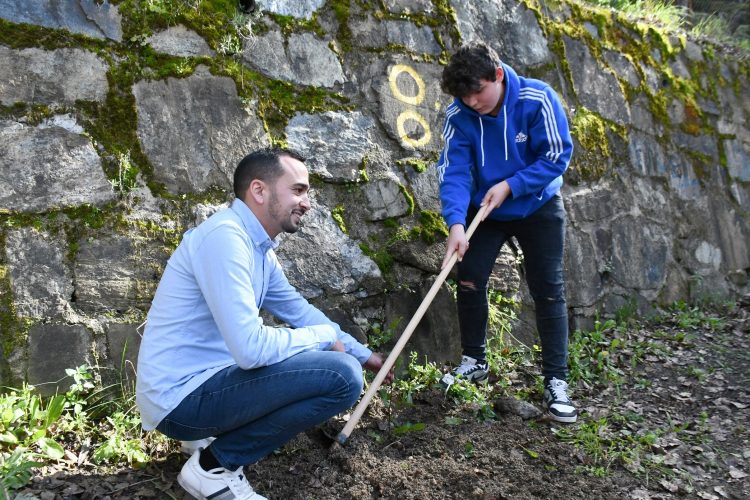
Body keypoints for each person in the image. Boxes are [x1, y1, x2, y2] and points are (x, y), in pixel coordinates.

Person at [136, 148, 392, 500]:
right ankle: (214, 467)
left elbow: (297, 309)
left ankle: (204, 441)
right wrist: (323, 338)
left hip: (201, 386)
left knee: (349, 366)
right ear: (259, 191)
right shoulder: (225, 239)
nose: (307, 203)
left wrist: (362, 353)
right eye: (298, 190)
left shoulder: (257, 247)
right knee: (342, 378)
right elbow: (251, 350)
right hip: (180, 401)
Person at [436, 41, 577, 423]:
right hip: (485, 210)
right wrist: (456, 224)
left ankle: (556, 382)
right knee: (468, 277)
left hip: (537, 204)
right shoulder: (459, 115)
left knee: (548, 289)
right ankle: (474, 360)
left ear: (497, 75)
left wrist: (512, 185)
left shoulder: (537, 99)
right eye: (463, 96)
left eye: (477, 91)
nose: (471, 102)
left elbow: (557, 156)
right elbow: (454, 172)